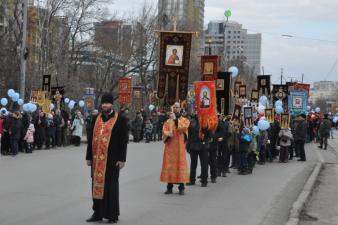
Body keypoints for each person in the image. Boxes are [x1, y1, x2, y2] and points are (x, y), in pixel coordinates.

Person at [86, 92, 128, 223]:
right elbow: (90, 139)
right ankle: (97, 213)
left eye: (107, 103)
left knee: (111, 188)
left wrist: (122, 159)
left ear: (112, 104)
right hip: (97, 159)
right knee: (96, 185)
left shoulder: (120, 119)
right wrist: (88, 157)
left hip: (112, 160)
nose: (105, 105)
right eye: (103, 103)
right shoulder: (96, 119)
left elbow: (123, 141)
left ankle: (112, 215)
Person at [160, 102, 190, 195]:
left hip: (180, 147)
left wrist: (175, 119)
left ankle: (181, 188)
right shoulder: (168, 121)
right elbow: (164, 130)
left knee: (180, 166)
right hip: (170, 147)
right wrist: (167, 134)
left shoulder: (185, 120)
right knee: (169, 166)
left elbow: (183, 128)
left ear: (180, 108)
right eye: (174, 107)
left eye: (177, 107)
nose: (176, 109)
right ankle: (169, 187)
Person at [186, 114, 208, 187]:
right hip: (194, 145)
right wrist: (188, 146)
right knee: (193, 164)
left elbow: (209, 133)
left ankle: (204, 181)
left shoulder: (206, 122)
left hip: (203, 146)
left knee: (204, 164)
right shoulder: (192, 122)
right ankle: (192, 180)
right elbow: (189, 135)